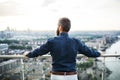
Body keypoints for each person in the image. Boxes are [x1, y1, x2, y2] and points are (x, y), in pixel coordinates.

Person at [24, 17, 103, 80]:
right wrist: (99, 53)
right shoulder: (76, 42)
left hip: (56, 76)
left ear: (60, 27)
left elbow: (38, 51)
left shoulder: (52, 41)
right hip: (71, 76)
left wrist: (28, 54)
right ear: (68, 28)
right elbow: (89, 52)